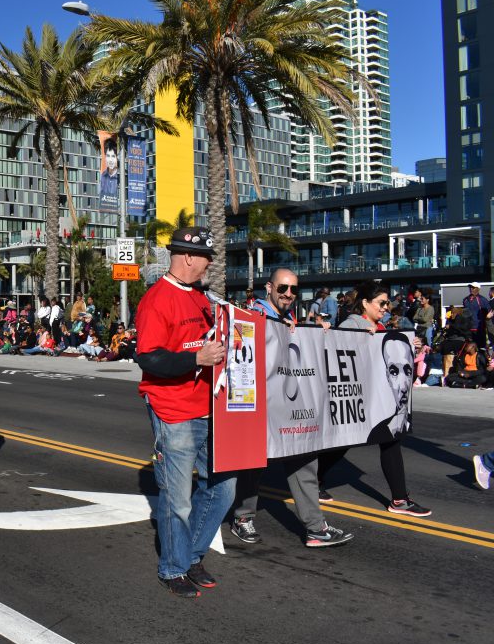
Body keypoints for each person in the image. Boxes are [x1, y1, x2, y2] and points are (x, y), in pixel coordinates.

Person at [134, 226, 234, 598]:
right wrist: (196, 358)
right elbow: (147, 356)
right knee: (177, 497)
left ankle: (190, 554)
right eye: (207, 257)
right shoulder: (157, 299)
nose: (210, 264)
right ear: (188, 256)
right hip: (172, 409)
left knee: (223, 487)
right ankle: (173, 568)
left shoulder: (202, 298)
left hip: (209, 408)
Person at [231, 268, 351, 548]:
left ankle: (315, 527)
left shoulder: (291, 319)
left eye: (294, 290)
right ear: (269, 287)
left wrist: (317, 335)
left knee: (304, 459)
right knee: (254, 462)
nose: (288, 294)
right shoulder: (253, 316)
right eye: (283, 288)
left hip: (290, 404)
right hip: (260, 404)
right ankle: (243, 516)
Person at [317, 281, 432, 517]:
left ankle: (399, 499)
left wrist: (412, 345)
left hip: (377, 396)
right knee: (343, 442)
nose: (386, 307)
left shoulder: (378, 325)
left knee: (389, 439)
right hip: (360, 396)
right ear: (365, 303)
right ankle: (312, 480)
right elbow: (341, 352)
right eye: (381, 303)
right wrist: (361, 339)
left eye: (387, 303)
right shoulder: (353, 323)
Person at [462, 282, 490, 350]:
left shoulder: (482, 299)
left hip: (479, 328)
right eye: (470, 287)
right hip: (468, 328)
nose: (471, 289)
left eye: (473, 287)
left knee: (480, 348)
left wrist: (486, 320)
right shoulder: (465, 300)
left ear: (478, 289)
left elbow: (488, 312)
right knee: (469, 348)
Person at [99, 136, 119, 207]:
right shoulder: (103, 176)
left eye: (113, 156)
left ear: (117, 157)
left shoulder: (121, 176)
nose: (110, 160)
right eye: (108, 156)